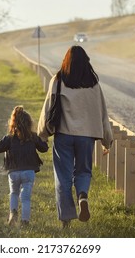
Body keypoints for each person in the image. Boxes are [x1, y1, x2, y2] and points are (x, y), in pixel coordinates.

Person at [37, 45, 113, 228]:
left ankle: (66, 220)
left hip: (64, 135)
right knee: (83, 171)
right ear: (86, 62)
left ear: (66, 62)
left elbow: (49, 107)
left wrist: (42, 134)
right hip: (86, 136)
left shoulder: (58, 80)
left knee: (63, 176)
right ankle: (82, 197)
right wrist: (107, 141)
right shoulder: (94, 84)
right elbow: (103, 113)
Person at [0, 106, 48, 226]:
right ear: (29, 123)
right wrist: (44, 139)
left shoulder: (9, 138)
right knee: (26, 198)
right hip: (29, 172)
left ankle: (13, 213)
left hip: (14, 172)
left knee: (13, 193)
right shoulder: (33, 137)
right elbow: (43, 149)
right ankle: (25, 221)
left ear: (13, 123)